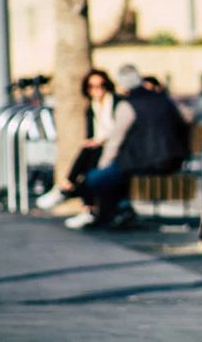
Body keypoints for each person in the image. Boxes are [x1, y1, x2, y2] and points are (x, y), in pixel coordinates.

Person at [74, 64, 191, 229]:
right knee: (113, 171)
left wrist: (103, 166)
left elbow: (115, 142)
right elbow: (186, 118)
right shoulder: (164, 99)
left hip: (140, 163)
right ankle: (122, 209)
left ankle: (114, 212)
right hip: (173, 160)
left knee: (95, 178)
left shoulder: (127, 105)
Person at [36, 69, 120, 229]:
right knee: (88, 158)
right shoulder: (92, 107)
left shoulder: (116, 102)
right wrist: (96, 141)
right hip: (98, 149)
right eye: (92, 86)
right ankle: (78, 198)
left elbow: (120, 130)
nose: (97, 90)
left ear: (107, 86)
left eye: (101, 85)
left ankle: (67, 188)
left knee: (89, 158)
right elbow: (91, 136)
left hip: (114, 148)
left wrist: (101, 140)